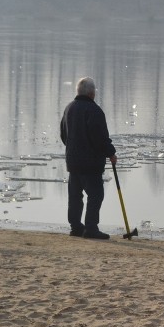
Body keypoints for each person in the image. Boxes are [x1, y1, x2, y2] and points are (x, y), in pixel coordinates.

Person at [60, 77, 117, 239]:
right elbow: (100, 138)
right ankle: (91, 227)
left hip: (73, 161)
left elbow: (64, 134)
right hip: (90, 163)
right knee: (96, 194)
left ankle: (76, 226)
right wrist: (111, 153)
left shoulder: (69, 108)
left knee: (75, 196)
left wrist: (72, 148)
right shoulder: (94, 111)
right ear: (92, 93)